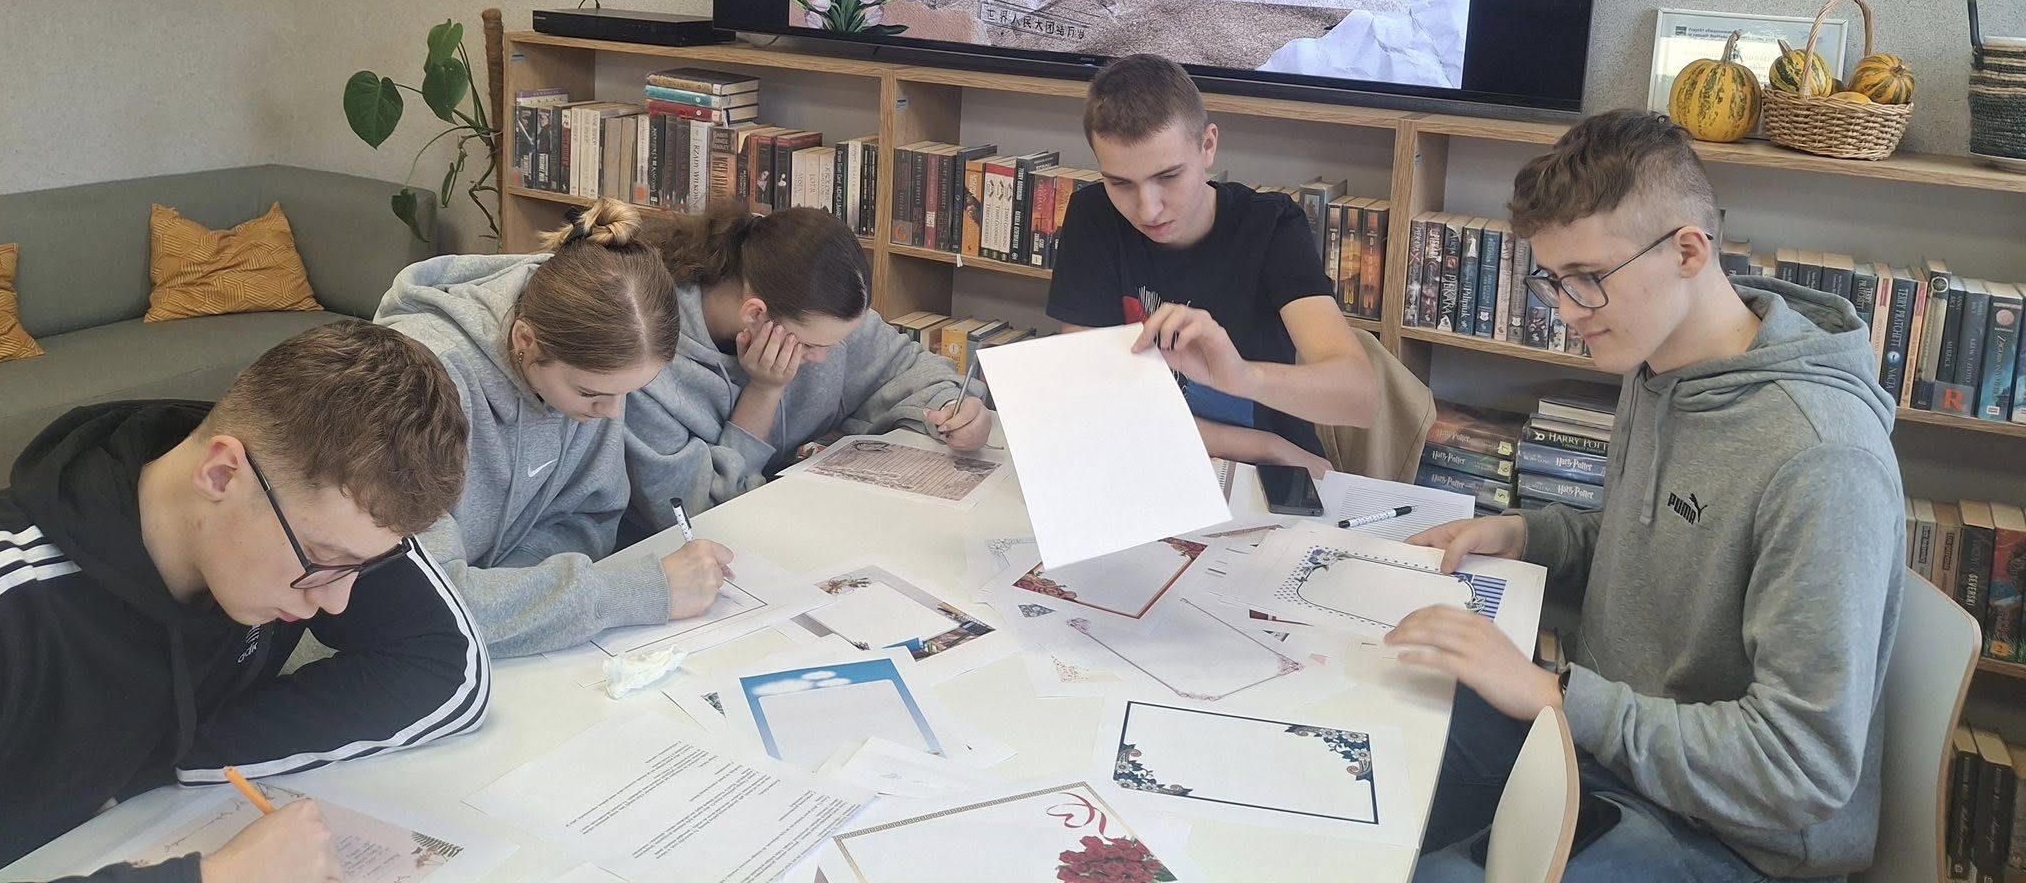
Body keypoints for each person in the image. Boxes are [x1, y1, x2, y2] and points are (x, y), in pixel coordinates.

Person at [1389, 110, 1904, 881]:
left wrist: (1556, 695)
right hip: (1611, 750)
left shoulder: (1823, 459)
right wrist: (1524, 534)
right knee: (1379, 744)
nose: (1567, 312)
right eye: (1553, 281)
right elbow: (1656, 543)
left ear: (1688, 251)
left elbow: (1800, 767)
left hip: (1737, 838)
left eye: (1588, 279)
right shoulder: (1659, 363)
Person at [0, 319, 489, 883]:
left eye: (363, 567)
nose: (338, 602)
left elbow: (447, 667)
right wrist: (218, 877)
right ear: (222, 475)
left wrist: (168, 759)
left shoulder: (317, 503)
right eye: (323, 559)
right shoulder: (0, 608)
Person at [374, 200, 733, 657]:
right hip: (381, 650)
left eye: (629, 392)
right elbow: (420, 604)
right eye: (589, 393)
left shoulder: (593, 370)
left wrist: (523, 597)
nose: (612, 413)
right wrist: (635, 591)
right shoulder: (415, 389)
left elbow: (589, 515)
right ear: (525, 340)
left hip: (497, 643)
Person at [1045, 53, 1378, 475]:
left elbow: (1360, 399)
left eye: (1168, 177)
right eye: (1120, 183)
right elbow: (1094, 389)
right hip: (1157, 455)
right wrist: (1266, 445)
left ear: (1208, 146)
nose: (1148, 209)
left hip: (1262, 478)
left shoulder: (1270, 226)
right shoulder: (1093, 214)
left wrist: (1243, 377)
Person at [623, 203, 994, 520]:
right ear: (756, 314)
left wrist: (954, 407)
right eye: (812, 346)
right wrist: (764, 392)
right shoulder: (643, 363)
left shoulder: (813, 311)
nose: (824, 358)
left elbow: (913, 369)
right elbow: (695, 517)